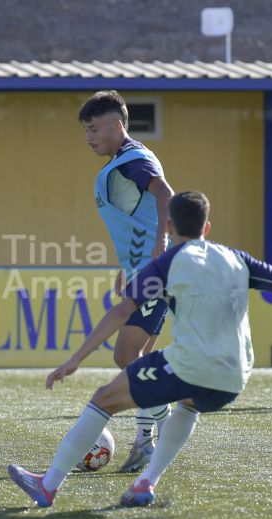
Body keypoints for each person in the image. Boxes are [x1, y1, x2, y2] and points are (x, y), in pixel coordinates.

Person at [8, 191, 272, 507]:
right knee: (187, 405)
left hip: (191, 365)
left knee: (104, 398)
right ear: (206, 227)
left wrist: (75, 360)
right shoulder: (236, 258)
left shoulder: (168, 263)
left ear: (168, 226)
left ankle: (48, 485)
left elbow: (123, 311)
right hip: (234, 377)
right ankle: (145, 483)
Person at [79, 90, 175, 472]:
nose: (89, 137)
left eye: (95, 128)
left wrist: (161, 242)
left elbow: (165, 194)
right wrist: (129, 264)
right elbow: (141, 214)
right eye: (86, 130)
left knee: (125, 356)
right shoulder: (123, 161)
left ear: (118, 126)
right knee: (141, 360)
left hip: (155, 274)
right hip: (143, 273)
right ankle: (145, 443)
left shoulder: (133, 160)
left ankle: (164, 432)